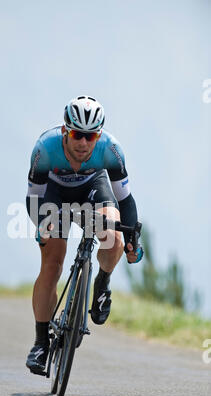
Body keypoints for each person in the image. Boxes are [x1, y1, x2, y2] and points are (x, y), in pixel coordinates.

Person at [25, 95, 143, 375]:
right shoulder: (45, 148)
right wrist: (43, 223)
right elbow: (34, 198)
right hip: (54, 194)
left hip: (93, 187)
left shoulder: (110, 149)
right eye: (78, 134)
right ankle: (41, 344)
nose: (83, 143)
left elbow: (124, 201)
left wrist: (131, 240)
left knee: (112, 233)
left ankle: (102, 283)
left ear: (98, 135)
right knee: (52, 263)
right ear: (66, 130)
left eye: (91, 137)